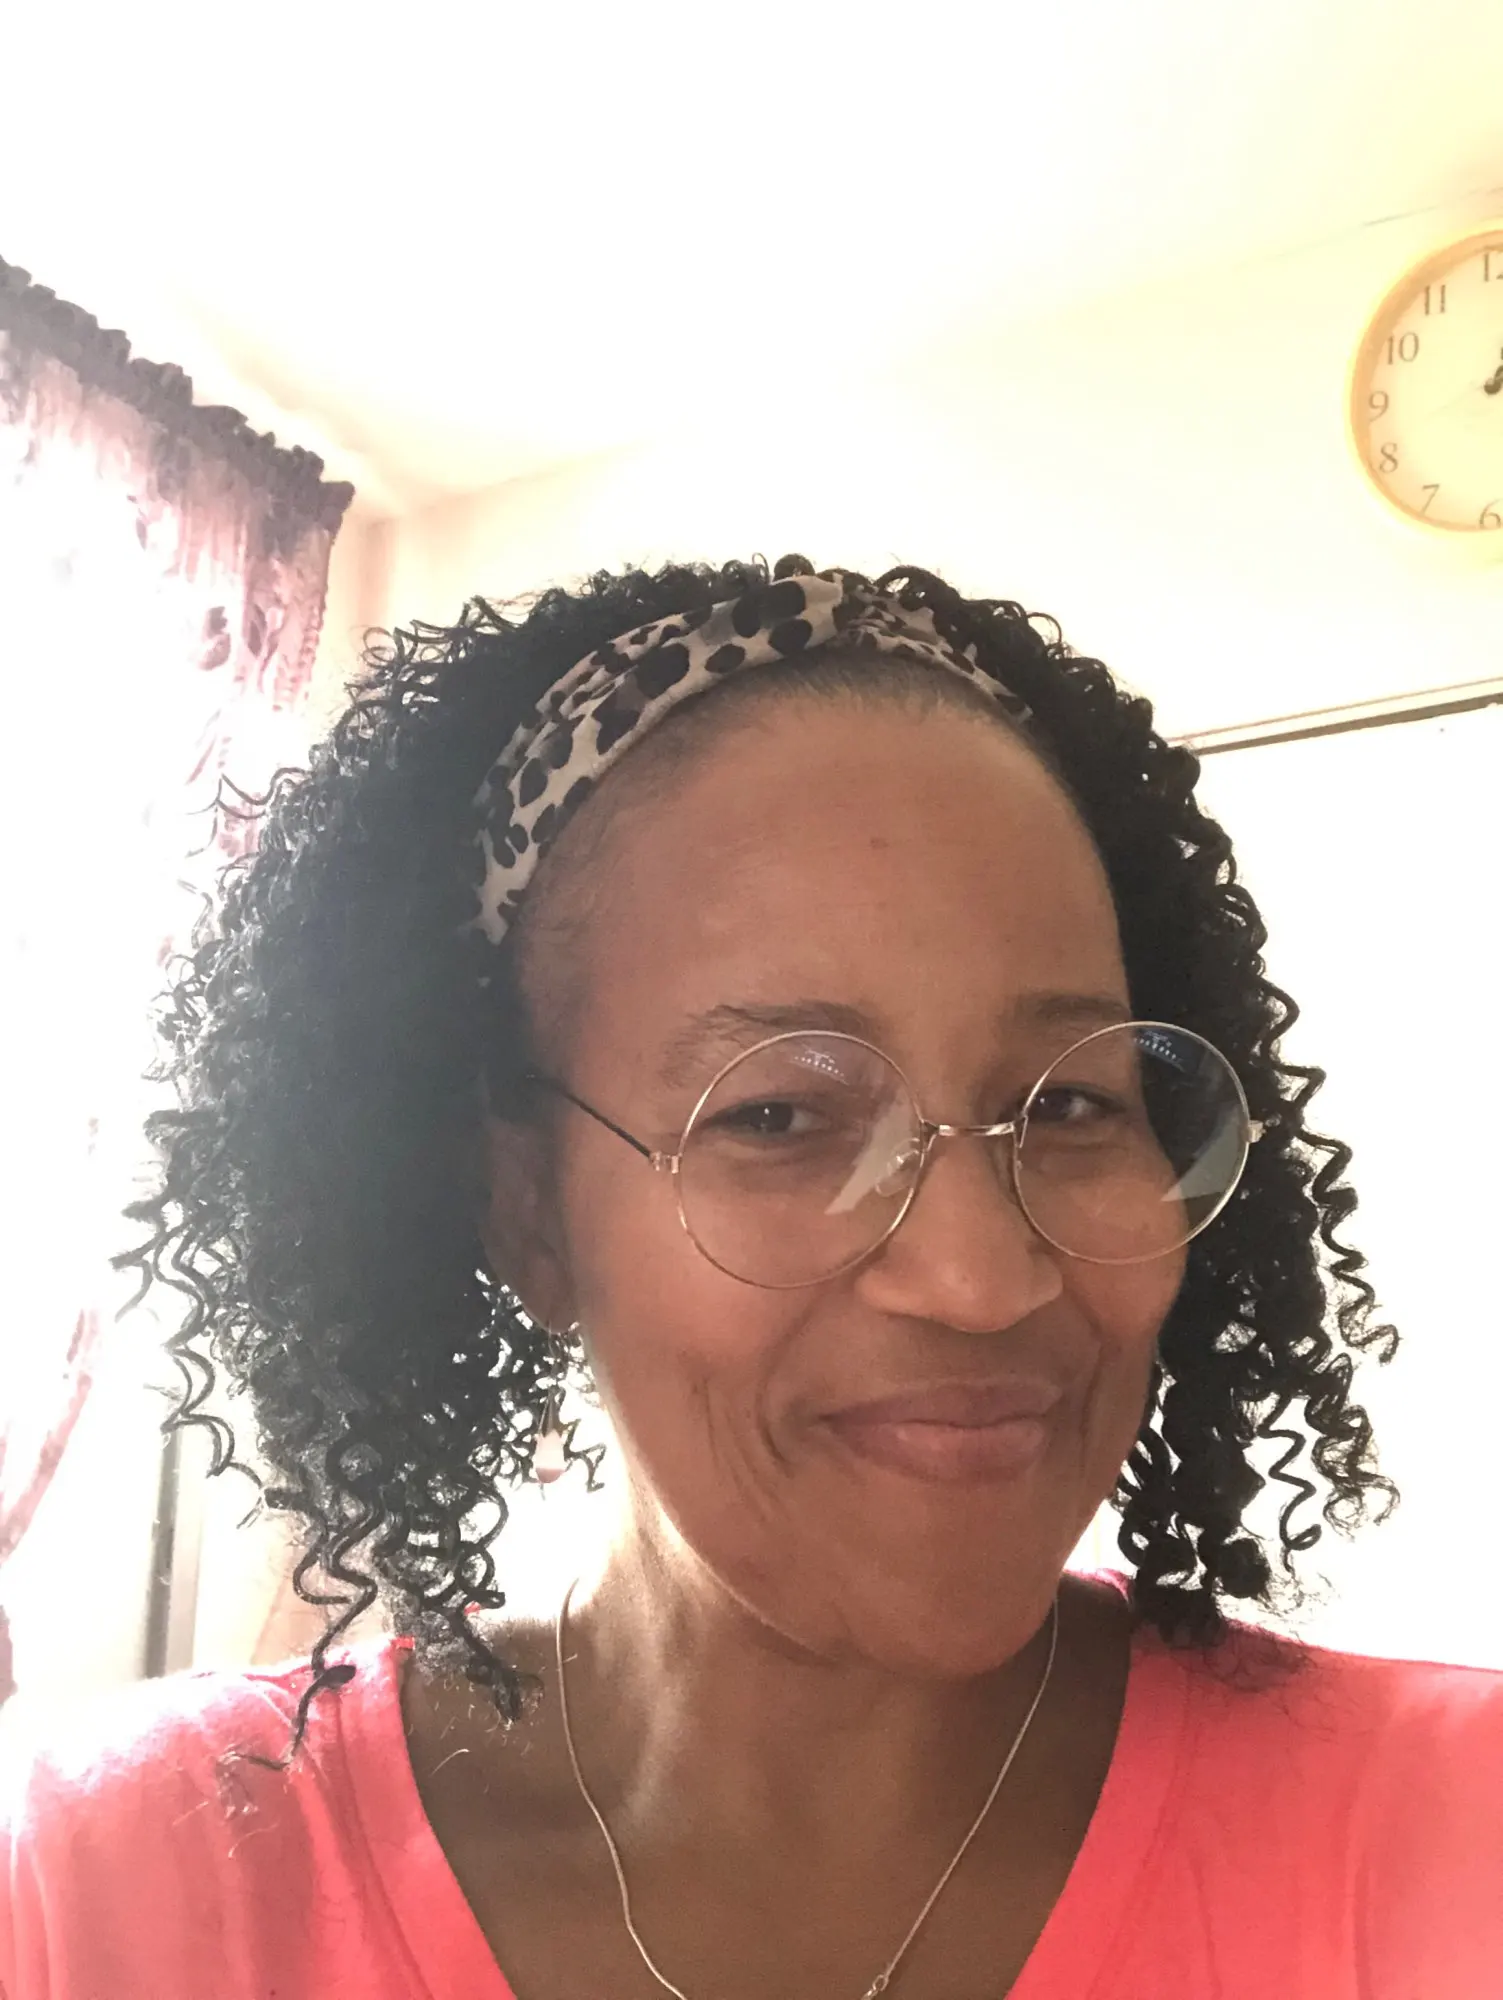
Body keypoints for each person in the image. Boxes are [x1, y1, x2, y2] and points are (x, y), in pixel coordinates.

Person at [2, 555, 1500, 1999]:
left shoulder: (1455, 1836)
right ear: (527, 1212)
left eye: (1069, 1104)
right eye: (778, 1118)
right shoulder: (89, 1895)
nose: (981, 1278)